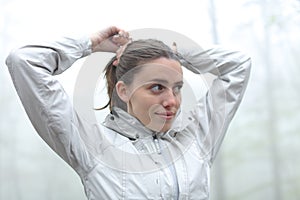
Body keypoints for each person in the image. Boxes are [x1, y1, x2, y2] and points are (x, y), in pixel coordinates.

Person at [6, 26, 251, 199]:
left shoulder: (196, 139)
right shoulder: (94, 145)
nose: (172, 101)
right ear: (124, 90)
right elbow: (25, 61)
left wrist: (177, 52)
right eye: (157, 87)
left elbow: (239, 65)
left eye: (177, 88)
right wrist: (90, 44)